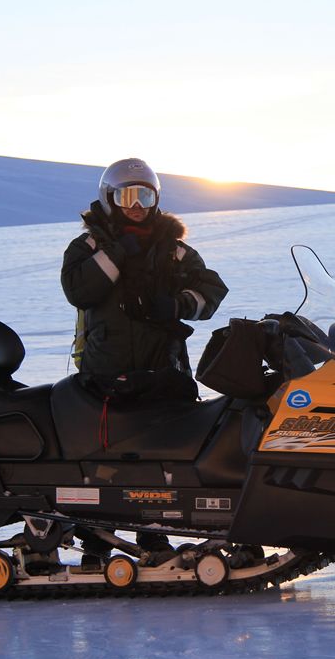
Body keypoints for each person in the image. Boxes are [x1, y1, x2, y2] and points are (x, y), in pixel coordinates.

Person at [60, 157, 228, 568]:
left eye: (145, 195)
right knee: (105, 461)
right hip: (105, 373)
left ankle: (152, 535)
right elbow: (79, 290)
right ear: (110, 198)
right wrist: (119, 251)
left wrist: (176, 304)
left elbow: (213, 290)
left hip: (164, 370)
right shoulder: (88, 247)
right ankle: (96, 539)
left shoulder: (173, 250)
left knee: (166, 458)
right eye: (127, 196)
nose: (136, 205)